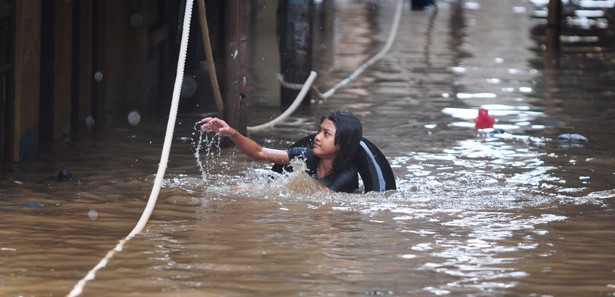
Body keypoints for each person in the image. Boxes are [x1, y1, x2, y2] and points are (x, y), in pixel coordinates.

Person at [200, 111, 363, 193]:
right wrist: (232, 133)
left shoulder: (346, 176)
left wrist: (259, 192)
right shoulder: (306, 156)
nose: (317, 137)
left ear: (342, 143)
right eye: (318, 131)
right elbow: (259, 152)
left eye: (326, 134)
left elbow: (320, 202)